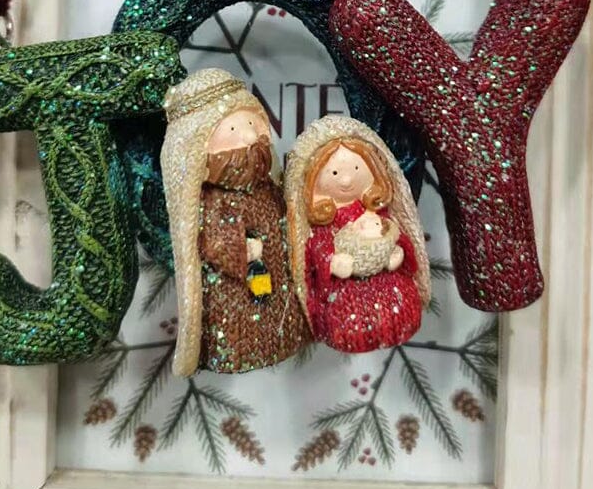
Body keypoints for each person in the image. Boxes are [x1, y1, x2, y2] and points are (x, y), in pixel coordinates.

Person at [161, 68, 310, 376]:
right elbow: (212, 242)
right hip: (235, 295)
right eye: (233, 130)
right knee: (244, 324)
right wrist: (241, 250)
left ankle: (284, 339)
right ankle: (243, 351)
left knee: (277, 318)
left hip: (276, 286)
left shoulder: (268, 187)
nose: (251, 137)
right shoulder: (214, 200)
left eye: (253, 124)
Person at [285, 115, 430, 353]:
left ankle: (396, 324)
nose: (346, 179)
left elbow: (397, 234)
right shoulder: (327, 224)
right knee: (347, 314)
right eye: (334, 173)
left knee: (399, 303)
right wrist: (331, 261)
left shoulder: (379, 213)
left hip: (387, 282)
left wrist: (396, 250)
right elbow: (317, 247)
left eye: (355, 168)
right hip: (346, 290)